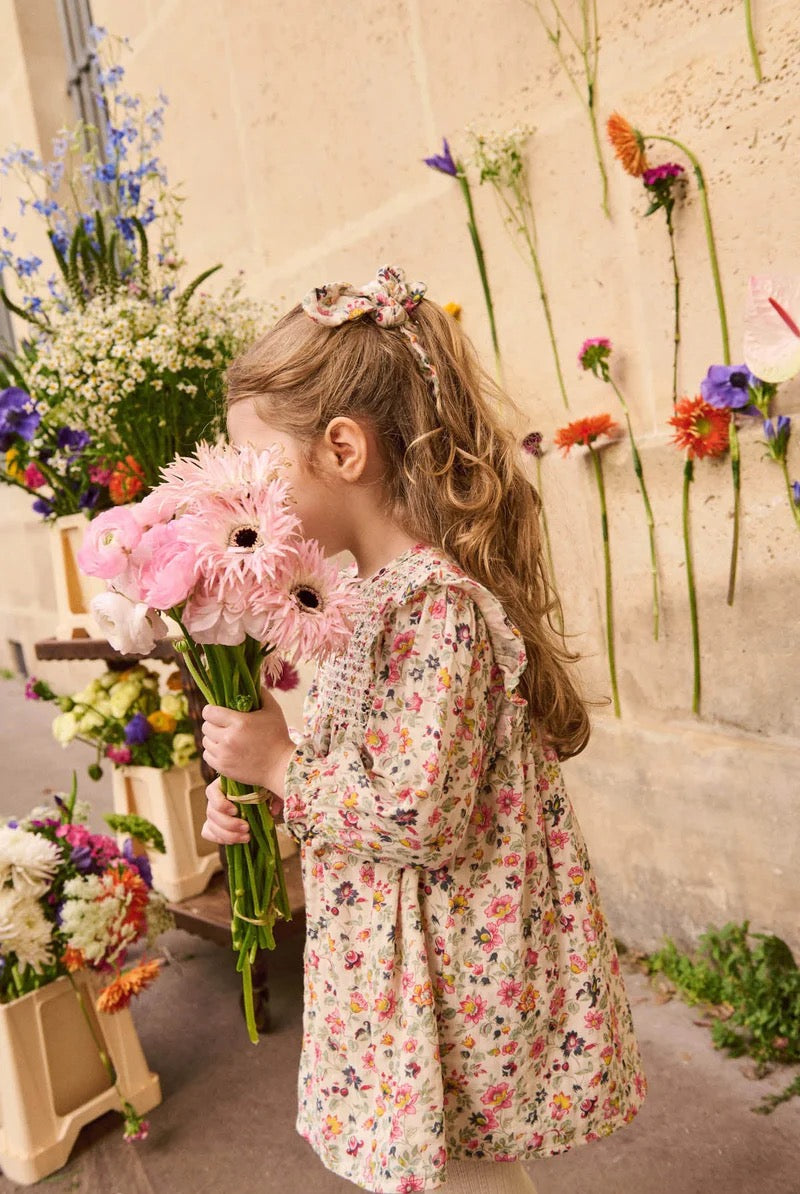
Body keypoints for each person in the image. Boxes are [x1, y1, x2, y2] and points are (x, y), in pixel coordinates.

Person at [201, 265, 647, 1194]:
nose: (246, 498)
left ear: (343, 448)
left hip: (443, 978)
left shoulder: (429, 608)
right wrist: (267, 790)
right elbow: (374, 778)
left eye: (258, 467)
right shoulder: (372, 601)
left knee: (460, 1179)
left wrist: (282, 764)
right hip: (400, 967)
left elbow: (415, 817)